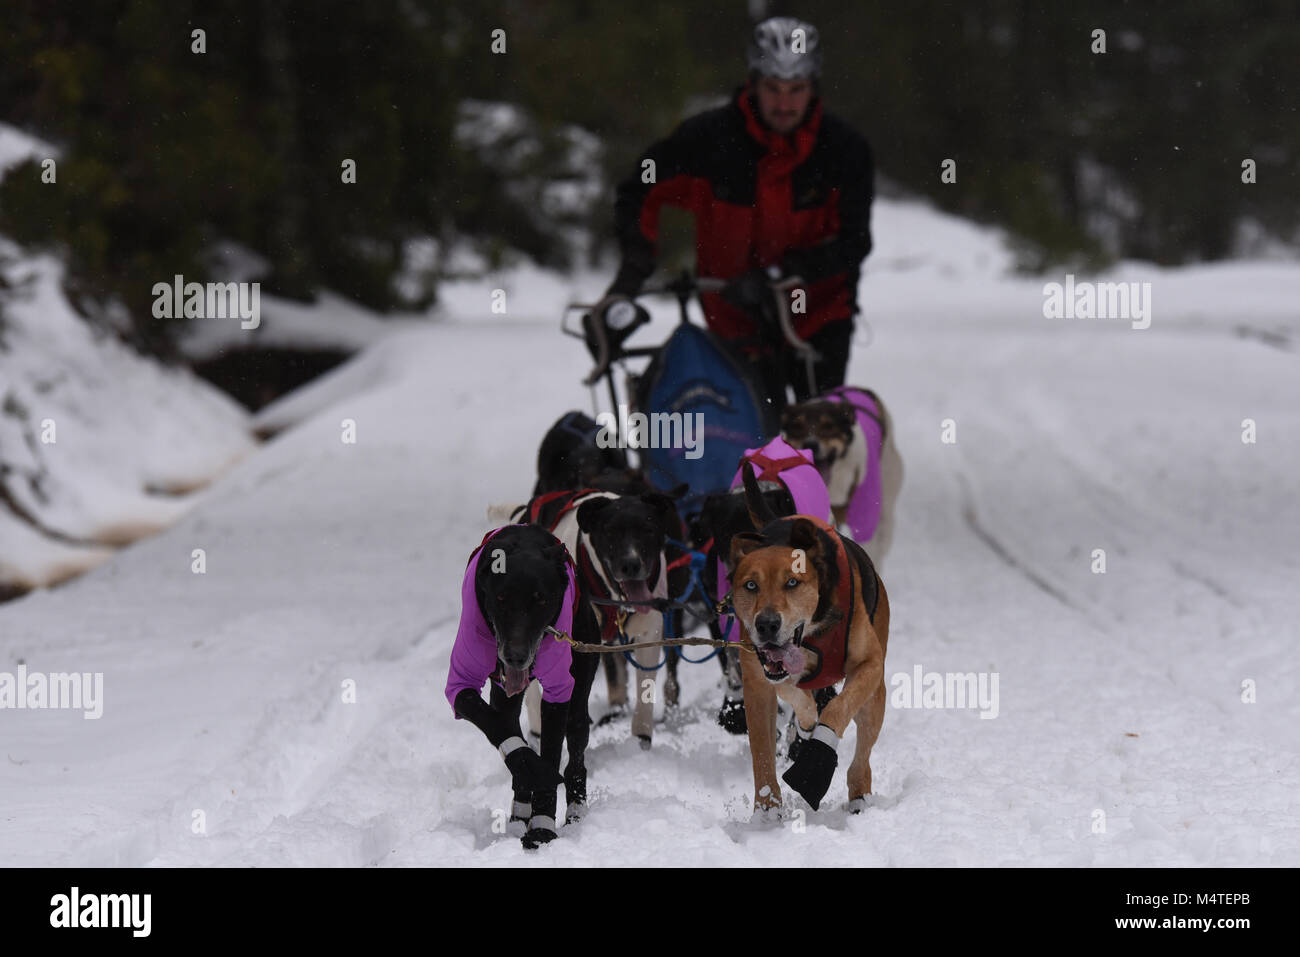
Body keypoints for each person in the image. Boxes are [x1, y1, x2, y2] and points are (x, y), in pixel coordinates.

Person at [592, 15, 876, 416]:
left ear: (813, 88)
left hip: (815, 315)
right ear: (753, 83)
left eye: (796, 90)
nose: (784, 103)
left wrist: (779, 276)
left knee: (820, 438)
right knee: (753, 438)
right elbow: (640, 188)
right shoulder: (708, 141)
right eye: (772, 89)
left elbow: (854, 241)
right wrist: (632, 273)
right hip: (735, 317)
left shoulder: (845, 152)